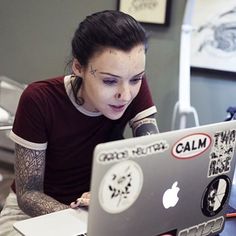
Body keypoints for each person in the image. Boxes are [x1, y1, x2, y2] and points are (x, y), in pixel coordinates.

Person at [0, 9, 159, 235]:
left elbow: (151, 155)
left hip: (100, 207)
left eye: (136, 79)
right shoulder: (39, 100)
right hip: (31, 214)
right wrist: (79, 220)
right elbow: (29, 195)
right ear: (78, 67)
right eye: (109, 81)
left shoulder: (133, 89)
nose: (125, 94)